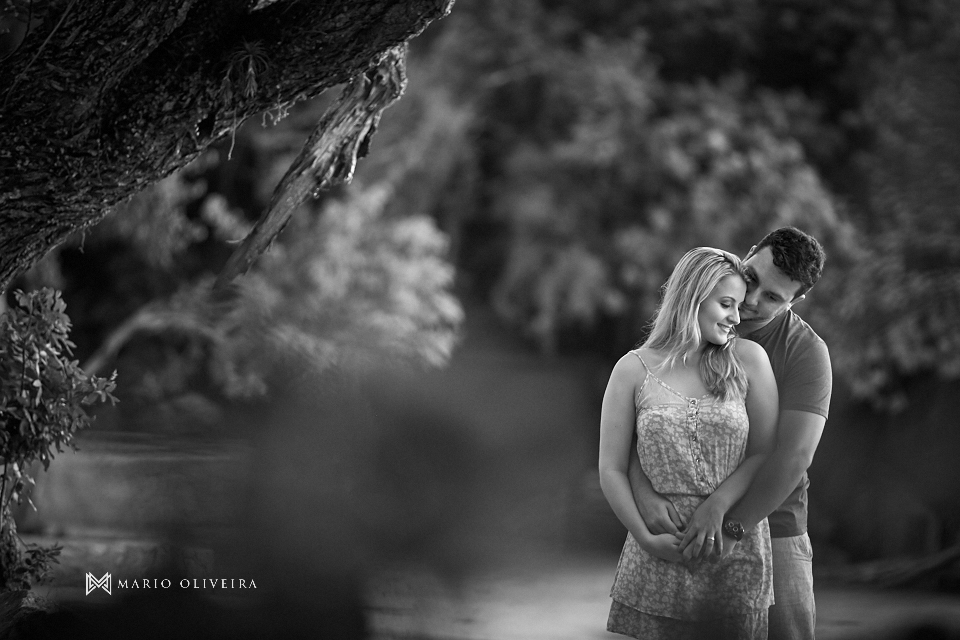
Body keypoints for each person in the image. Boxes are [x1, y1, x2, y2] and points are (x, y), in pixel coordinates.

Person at [630, 227, 831, 640]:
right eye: (753, 280)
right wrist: (644, 494)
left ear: (797, 301)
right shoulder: (693, 326)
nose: (753, 303)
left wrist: (732, 526)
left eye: (774, 298)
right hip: (680, 527)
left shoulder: (805, 353)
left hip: (773, 525)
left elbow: (793, 455)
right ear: (750, 253)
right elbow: (641, 423)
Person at [599, 247, 779, 640]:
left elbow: (764, 454)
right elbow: (610, 468)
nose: (737, 317)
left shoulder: (750, 361)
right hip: (658, 551)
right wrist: (647, 539)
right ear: (691, 298)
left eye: (738, 306)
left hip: (733, 549)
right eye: (726, 304)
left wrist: (718, 509)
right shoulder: (632, 369)